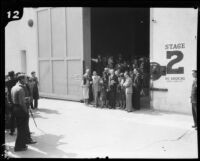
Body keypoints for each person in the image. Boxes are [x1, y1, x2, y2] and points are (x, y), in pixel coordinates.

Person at [11, 73, 29, 151]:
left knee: (20, 128)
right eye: (25, 78)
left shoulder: (14, 87)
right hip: (21, 110)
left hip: (15, 108)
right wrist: (26, 112)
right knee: (22, 129)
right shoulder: (21, 89)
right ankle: (19, 147)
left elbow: (15, 99)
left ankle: (22, 145)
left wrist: (24, 99)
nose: (26, 80)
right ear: (21, 79)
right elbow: (22, 103)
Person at [5, 71, 18, 135]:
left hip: (11, 99)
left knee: (12, 115)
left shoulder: (7, 82)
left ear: (9, 75)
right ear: (14, 74)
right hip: (17, 98)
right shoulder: (17, 80)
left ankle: (12, 130)